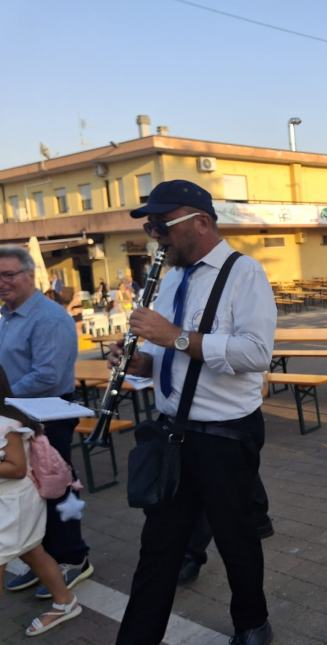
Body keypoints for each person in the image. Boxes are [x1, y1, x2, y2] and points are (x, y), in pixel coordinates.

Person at [111, 179, 276, 645]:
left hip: (226, 435)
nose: (154, 234)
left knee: (236, 538)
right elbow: (170, 356)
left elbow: (256, 353)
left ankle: (252, 623)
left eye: (162, 223)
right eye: (150, 225)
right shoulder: (171, 278)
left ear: (200, 222)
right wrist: (142, 362)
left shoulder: (245, 274)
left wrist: (175, 337)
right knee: (158, 548)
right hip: (171, 433)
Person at [0, 246, 94, 600]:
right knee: (32, 494)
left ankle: (74, 557)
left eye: (8, 274)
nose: (2, 282)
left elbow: (47, 375)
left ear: (29, 276)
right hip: (18, 416)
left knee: (56, 488)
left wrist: (2, 399)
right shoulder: (6, 315)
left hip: (47, 415)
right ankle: (44, 560)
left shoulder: (50, 317)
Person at [0, 412, 82, 637]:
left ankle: (66, 601)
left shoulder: (7, 426)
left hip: (14, 504)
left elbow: (17, 469)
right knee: (31, 552)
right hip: (8, 503)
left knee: (23, 552)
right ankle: (65, 601)